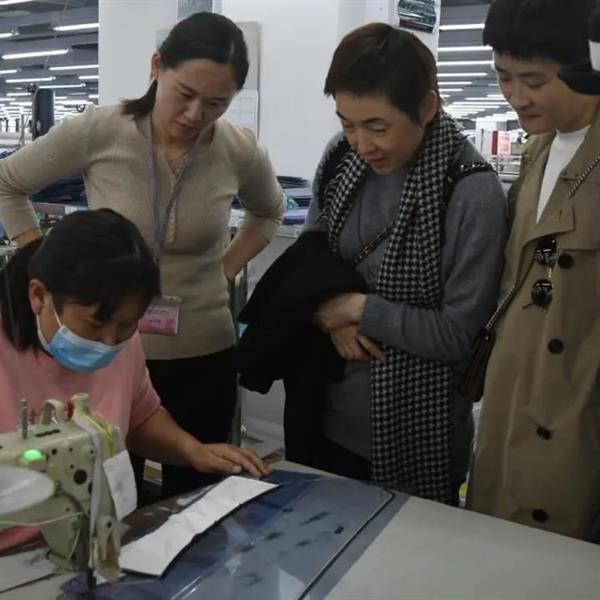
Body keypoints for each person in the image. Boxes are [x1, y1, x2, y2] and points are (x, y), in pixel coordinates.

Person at [0, 12, 285, 497]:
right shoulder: (99, 130)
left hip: (202, 348)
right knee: (103, 487)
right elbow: (8, 183)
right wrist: (50, 269)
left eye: (216, 103)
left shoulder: (237, 150)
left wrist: (224, 269)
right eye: (185, 94)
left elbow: (269, 212)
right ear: (157, 67)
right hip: (105, 349)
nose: (195, 114)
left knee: (199, 490)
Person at [300, 24, 507, 504]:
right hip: (322, 410)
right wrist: (329, 313)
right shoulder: (340, 159)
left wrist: (359, 309)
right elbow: (307, 259)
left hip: (419, 433)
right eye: (347, 124)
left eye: (377, 127)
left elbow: (458, 335)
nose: (361, 144)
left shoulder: (471, 192)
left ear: (427, 107)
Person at [0, 209, 269, 551]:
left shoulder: (122, 342)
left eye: (127, 324)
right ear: (39, 296)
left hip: (96, 536)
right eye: (95, 325)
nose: (110, 341)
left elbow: (140, 416)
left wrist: (192, 450)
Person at [466, 0, 600, 541]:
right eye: (504, 77)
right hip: (513, 399)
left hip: (577, 415)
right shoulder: (537, 150)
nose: (516, 96)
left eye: (535, 81)